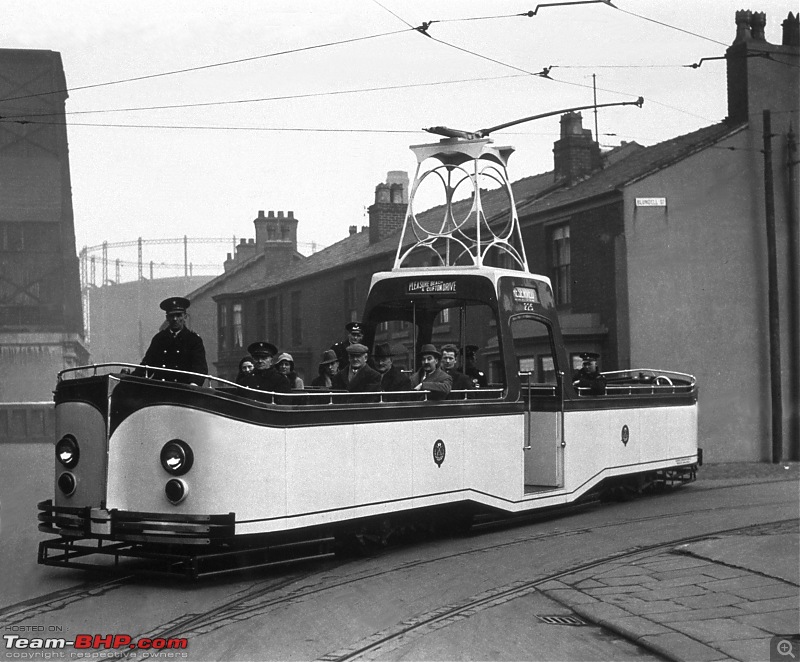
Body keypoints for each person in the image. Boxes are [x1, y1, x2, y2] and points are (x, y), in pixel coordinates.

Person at [134, 296, 207, 386]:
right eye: (172, 315)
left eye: (178, 315)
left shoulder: (193, 340)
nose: (175, 319)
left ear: (185, 317)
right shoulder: (159, 339)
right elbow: (147, 365)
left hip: (183, 391)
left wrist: (194, 384)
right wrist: (131, 378)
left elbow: (199, 367)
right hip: (161, 390)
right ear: (167, 318)